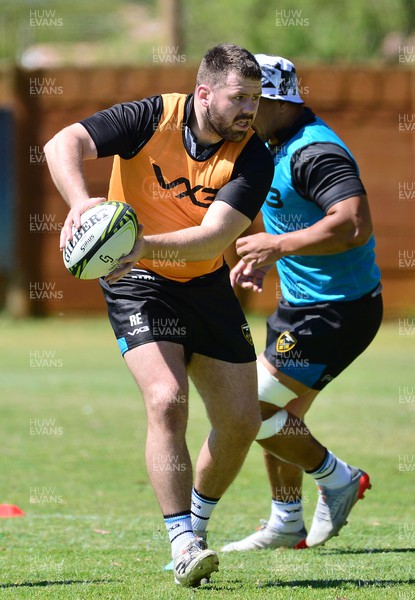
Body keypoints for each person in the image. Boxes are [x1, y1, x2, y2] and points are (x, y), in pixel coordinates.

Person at [43, 43, 274, 587]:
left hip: (200, 281)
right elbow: (63, 142)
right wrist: (81, 204)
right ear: (203, 94)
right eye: (238, 97)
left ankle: (195, 522)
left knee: (241, 421)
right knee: (166, 398)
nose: (249, 109)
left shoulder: (254, 155)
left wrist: (133, 245)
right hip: (138, 283)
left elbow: (212, 239)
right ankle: (182, 539)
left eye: (256, 99)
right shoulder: (153, 117)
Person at [223, 54, 383, 552]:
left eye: (249, 101)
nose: (241, 112)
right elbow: (298, 223)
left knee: (248, 408)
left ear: (273, 100)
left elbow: (353, 222)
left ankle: (338, 480)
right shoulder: (274, 144)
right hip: (301, 305)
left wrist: (277, 246)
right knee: (279, 416)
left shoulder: (314, 152)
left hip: (336, 311)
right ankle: (286, 521)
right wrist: (269, 258)